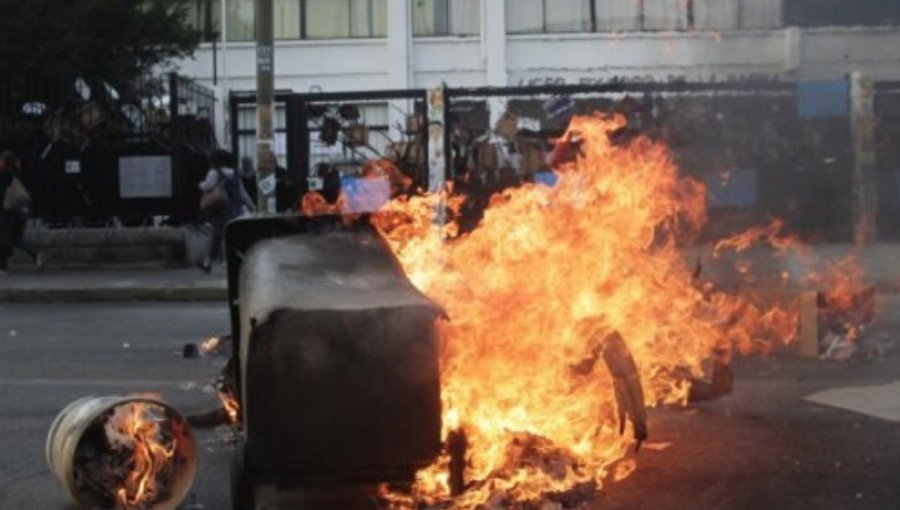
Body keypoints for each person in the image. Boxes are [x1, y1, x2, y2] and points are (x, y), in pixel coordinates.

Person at [197, 150, 255, 273]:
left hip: (220, 210)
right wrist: (252, 206)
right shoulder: (235, 173)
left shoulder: (214, 173)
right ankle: (207, 263)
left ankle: (227, 261)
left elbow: (208, 186)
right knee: (220, 235)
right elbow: (242, 194)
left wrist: (200, 184)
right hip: (235, 209)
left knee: (221, 234)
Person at [3, 152, 41, 268]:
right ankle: (35, 254)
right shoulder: (18, 174)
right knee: (14, 237)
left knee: (9, 237)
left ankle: (4, 263)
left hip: (11, 210)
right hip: (19, 210)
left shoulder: (7, 175)